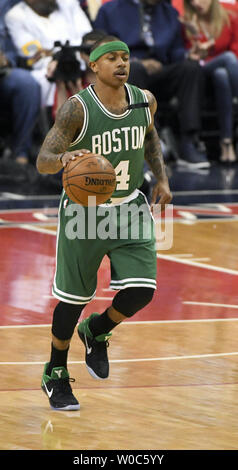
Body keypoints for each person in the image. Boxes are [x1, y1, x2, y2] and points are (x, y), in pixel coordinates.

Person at [36, 36, 172, 410]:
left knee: (142, 291)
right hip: (85, 212)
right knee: (72, 300)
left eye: (125, 57)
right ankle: (55, 372)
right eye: (111, 58)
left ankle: (96, 331)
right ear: (94, 66)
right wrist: (65, 158)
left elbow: (149, 138)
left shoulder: (144, 99)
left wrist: (161, 178)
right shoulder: (77, 109)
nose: (121, 63)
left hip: (129, 206)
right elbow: (43, 158)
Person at [93, 0, 210, 169]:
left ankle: (188, 141)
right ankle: (139, 146)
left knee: (191, 69)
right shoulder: (109, 11)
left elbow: (176, 51)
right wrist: (132, 62)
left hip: (161, 69)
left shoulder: (169, 12)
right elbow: (101, 50)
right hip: (127, 71)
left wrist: (188, 54)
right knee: (136, 70)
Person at [5, 0, 92, 107]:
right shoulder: (15, 15)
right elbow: (35, 56)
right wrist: (58, 57)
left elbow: (88, 39)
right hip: (47, 68)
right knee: (46, 79)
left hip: (83, 60)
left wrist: (55, 52)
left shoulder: (68, 3)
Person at [181, 0, 238, 161]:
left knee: (222, 75)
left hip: (224, 71)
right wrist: (196, 37)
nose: (196, 3)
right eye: (192, 0)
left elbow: (236, 49)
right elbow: (188, 53)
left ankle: (226, 143)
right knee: (228, 58)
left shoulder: (229, 18)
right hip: (199, 70)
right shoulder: (189, 20)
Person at [0, 0, 41, 166]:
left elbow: (11, 47)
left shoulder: (6, 4)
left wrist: (6, 60)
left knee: (26, 83)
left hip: (3, 72)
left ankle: (21, 155)